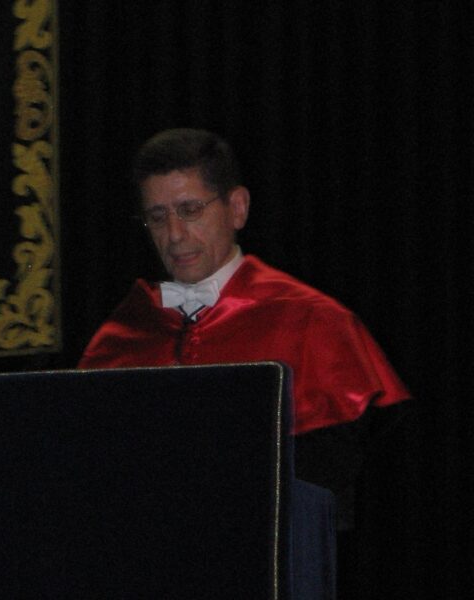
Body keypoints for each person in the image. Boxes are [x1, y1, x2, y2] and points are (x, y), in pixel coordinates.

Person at [78, 128, 411, 532]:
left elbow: (330, 487)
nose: (174, 235)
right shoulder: (123, 335)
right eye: (158, 217)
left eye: (190, 210)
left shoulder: (309, 321)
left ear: (237, 208)